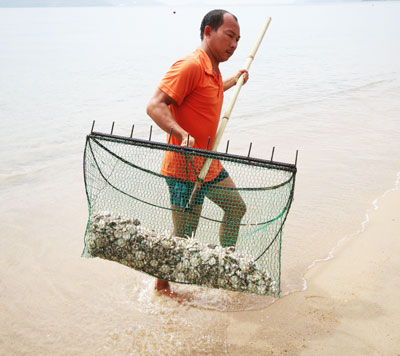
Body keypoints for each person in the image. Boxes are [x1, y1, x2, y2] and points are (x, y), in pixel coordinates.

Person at [146, 9, 248, 302]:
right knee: (185, 233)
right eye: (229, 36)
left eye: (238, 40)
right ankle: (162, 289)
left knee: (236, 208)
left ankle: (224, 265)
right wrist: (180, 134)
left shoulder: (212, 69)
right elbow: (154, 105)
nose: (234, 45)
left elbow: (208, 93)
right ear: (207, 32)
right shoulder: (190, 65)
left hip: (209, 164)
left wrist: (234, 79)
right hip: (183, 168)